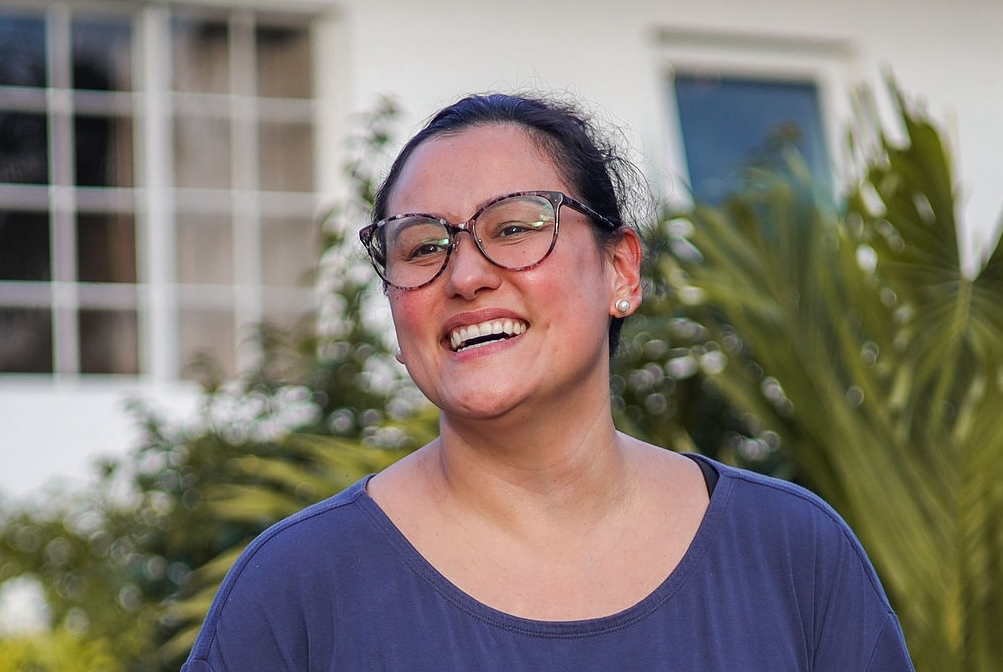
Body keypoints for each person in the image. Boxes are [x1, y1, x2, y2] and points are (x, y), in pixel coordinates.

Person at [181, 93, 915, 671]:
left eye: (512, 228)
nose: (464, 275)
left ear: (620, 272)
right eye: (421, 246)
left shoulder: (791, 554)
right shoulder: (298, 589)